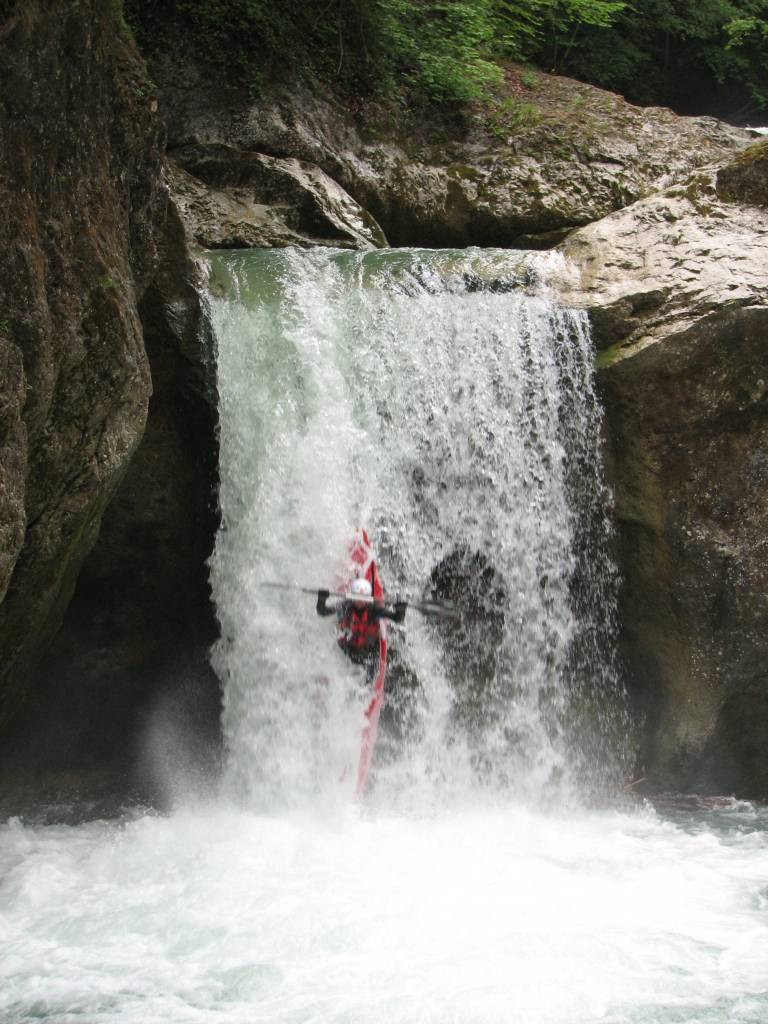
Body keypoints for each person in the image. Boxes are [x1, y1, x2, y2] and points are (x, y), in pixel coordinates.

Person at [317, 577, 406, 682]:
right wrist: (322, 599)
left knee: (369, 676)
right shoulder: (345, 605)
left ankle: (369, 685)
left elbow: (397, 618)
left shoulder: (375, 609)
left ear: (368, 598)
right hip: (348, 649)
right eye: (357, 597)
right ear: (352, 596)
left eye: (363, 598)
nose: (360, 601)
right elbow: (322, 612)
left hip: (369, 652)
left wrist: (400, 610)